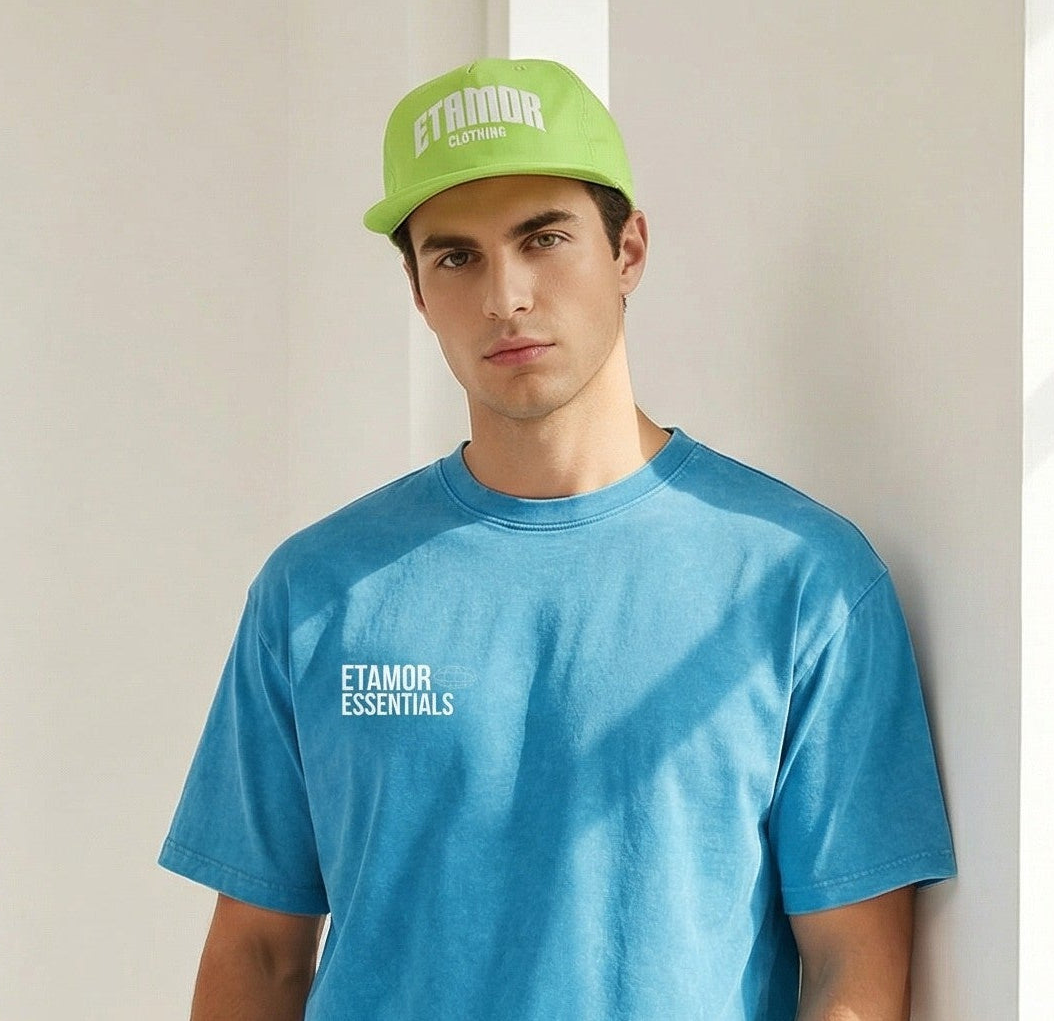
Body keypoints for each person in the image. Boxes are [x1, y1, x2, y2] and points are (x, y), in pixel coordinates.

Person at [160, 58, 955, 1021]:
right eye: (456, 257)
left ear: (629, 252)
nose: (506, 295)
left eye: (544, 239)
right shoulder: (318, 588)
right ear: (417, 292)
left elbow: (853, 972)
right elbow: (257, 955)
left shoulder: (803, 579)